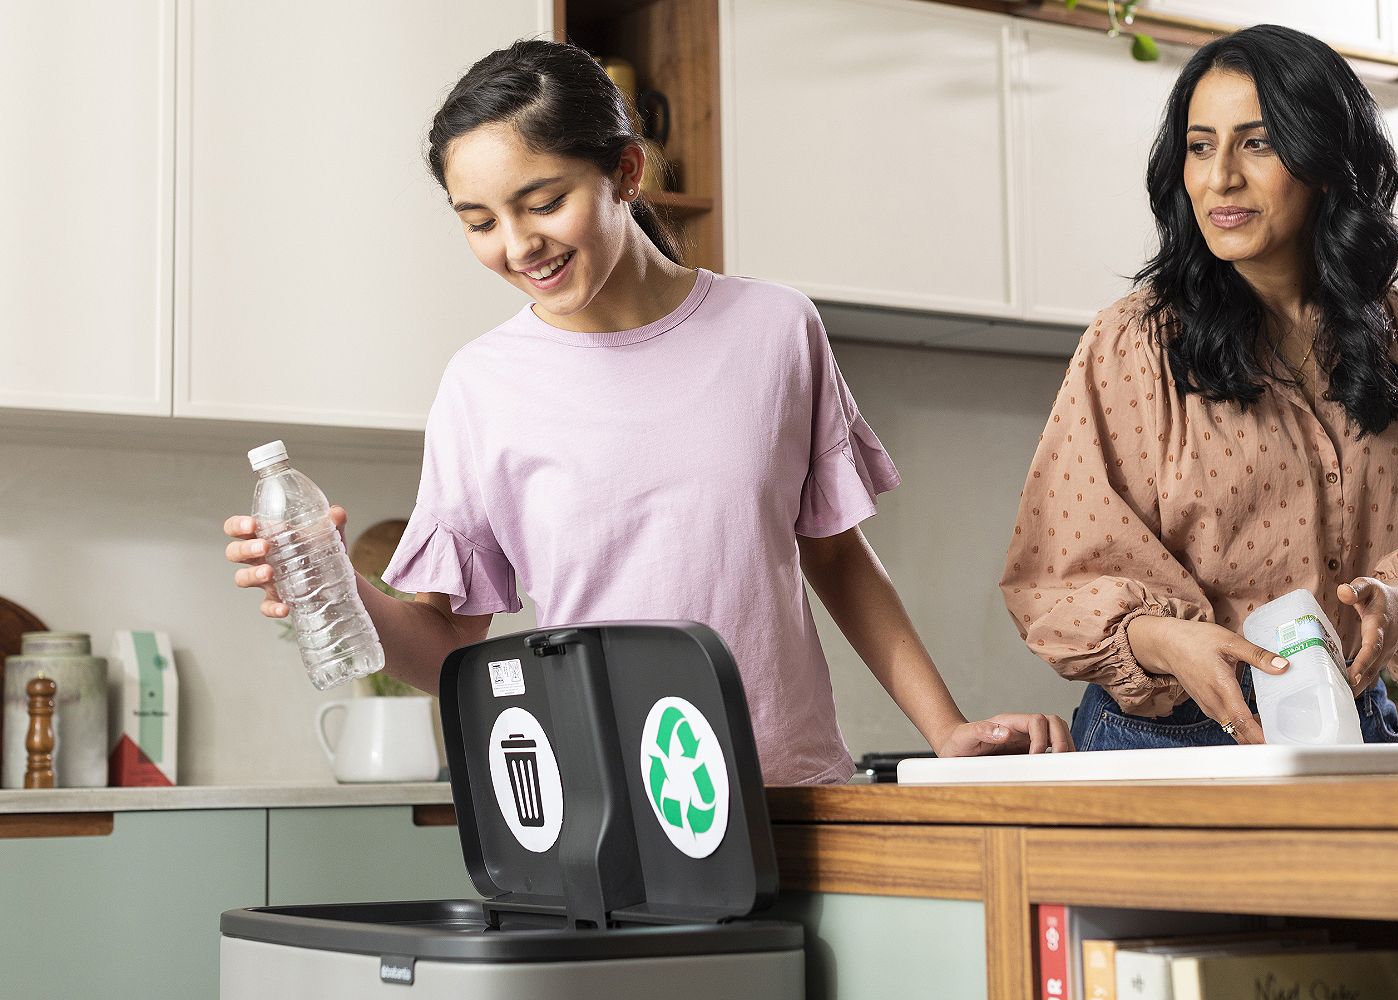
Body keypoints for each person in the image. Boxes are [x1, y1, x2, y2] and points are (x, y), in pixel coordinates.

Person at [226, 39, 1071, 784]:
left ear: (625, 172)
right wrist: (331, 586)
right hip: (602, 811)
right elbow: (450, 643)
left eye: (542, 202)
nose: (517, 247)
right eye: (479, 222)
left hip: (787, 794)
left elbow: (837, 558)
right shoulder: (481, 386)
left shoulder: (775, 328)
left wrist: (947, 729)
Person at [1001, 24, 1398, 751]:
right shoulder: (1134, 343)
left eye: (1257, 142)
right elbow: (1052, 577)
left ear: (1324, 159)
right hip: (1166, 734)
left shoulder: (1394, 331)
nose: (1221, 178)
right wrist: (1164, 640)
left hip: (1356, 723)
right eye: (1200, 146)